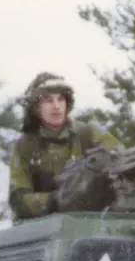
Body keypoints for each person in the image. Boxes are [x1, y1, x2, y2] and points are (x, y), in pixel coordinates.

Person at [8, 72, 125, 220]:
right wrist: (55, 200)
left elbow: (121, 157)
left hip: (92, 220)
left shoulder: (88, 133)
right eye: (48, 100)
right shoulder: (24, 147)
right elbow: (19, 199)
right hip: (44, 229)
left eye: (61, 99)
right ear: (36, 107)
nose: (56, 106)